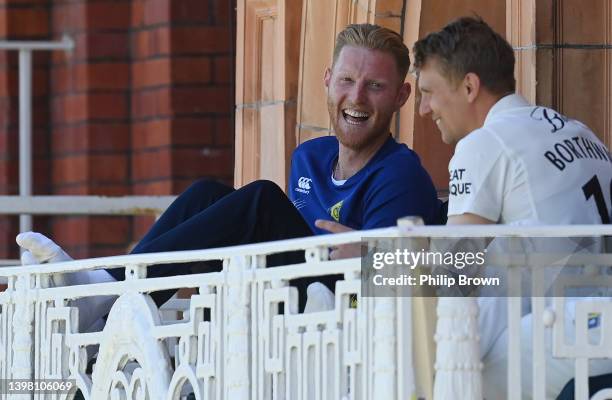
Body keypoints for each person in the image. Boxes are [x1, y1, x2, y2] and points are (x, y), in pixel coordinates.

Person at [17, 23, 442, 332]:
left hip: (340, 319)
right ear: (328, 82)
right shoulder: (310, 158)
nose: (356, 97)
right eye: (347, 80)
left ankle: (107, 291)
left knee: (260, 200)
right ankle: (109, 308)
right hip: (277, 302)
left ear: (402, 96)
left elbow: (404, 287)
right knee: (207, 194)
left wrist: (368, 254)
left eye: (375, 86)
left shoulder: (400, 175)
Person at [413, 16, 612, 399]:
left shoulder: (484, 143)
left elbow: (453, 273)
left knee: (443, 374)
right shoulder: (580, 131)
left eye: (429, 92)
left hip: (557, 336)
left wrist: (373, 260)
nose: (424, 108)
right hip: (597, 323)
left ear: (469, 86)